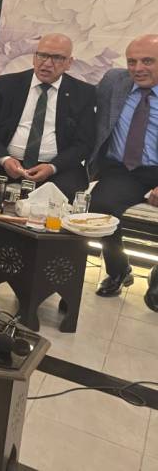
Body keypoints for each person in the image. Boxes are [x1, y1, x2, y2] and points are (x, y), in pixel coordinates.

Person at [0, 33, 96, 270]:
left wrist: (52, 167)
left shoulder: (83, 93)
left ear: (69, 63)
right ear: (34, 57)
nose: (47, 63)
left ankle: (52, 257)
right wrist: (4, 158)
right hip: (6, 160)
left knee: (73, 189)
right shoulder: (8, 84)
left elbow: (84, 144)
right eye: (42, 55)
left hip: (57, 165)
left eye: (57, 58)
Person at [89, 34, 158, 308]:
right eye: (132, 61)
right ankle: (118, 269)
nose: (138, 68)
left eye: (148, 61)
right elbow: (81, 103)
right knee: (100, 206)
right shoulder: (114, 81)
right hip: (123, 170)